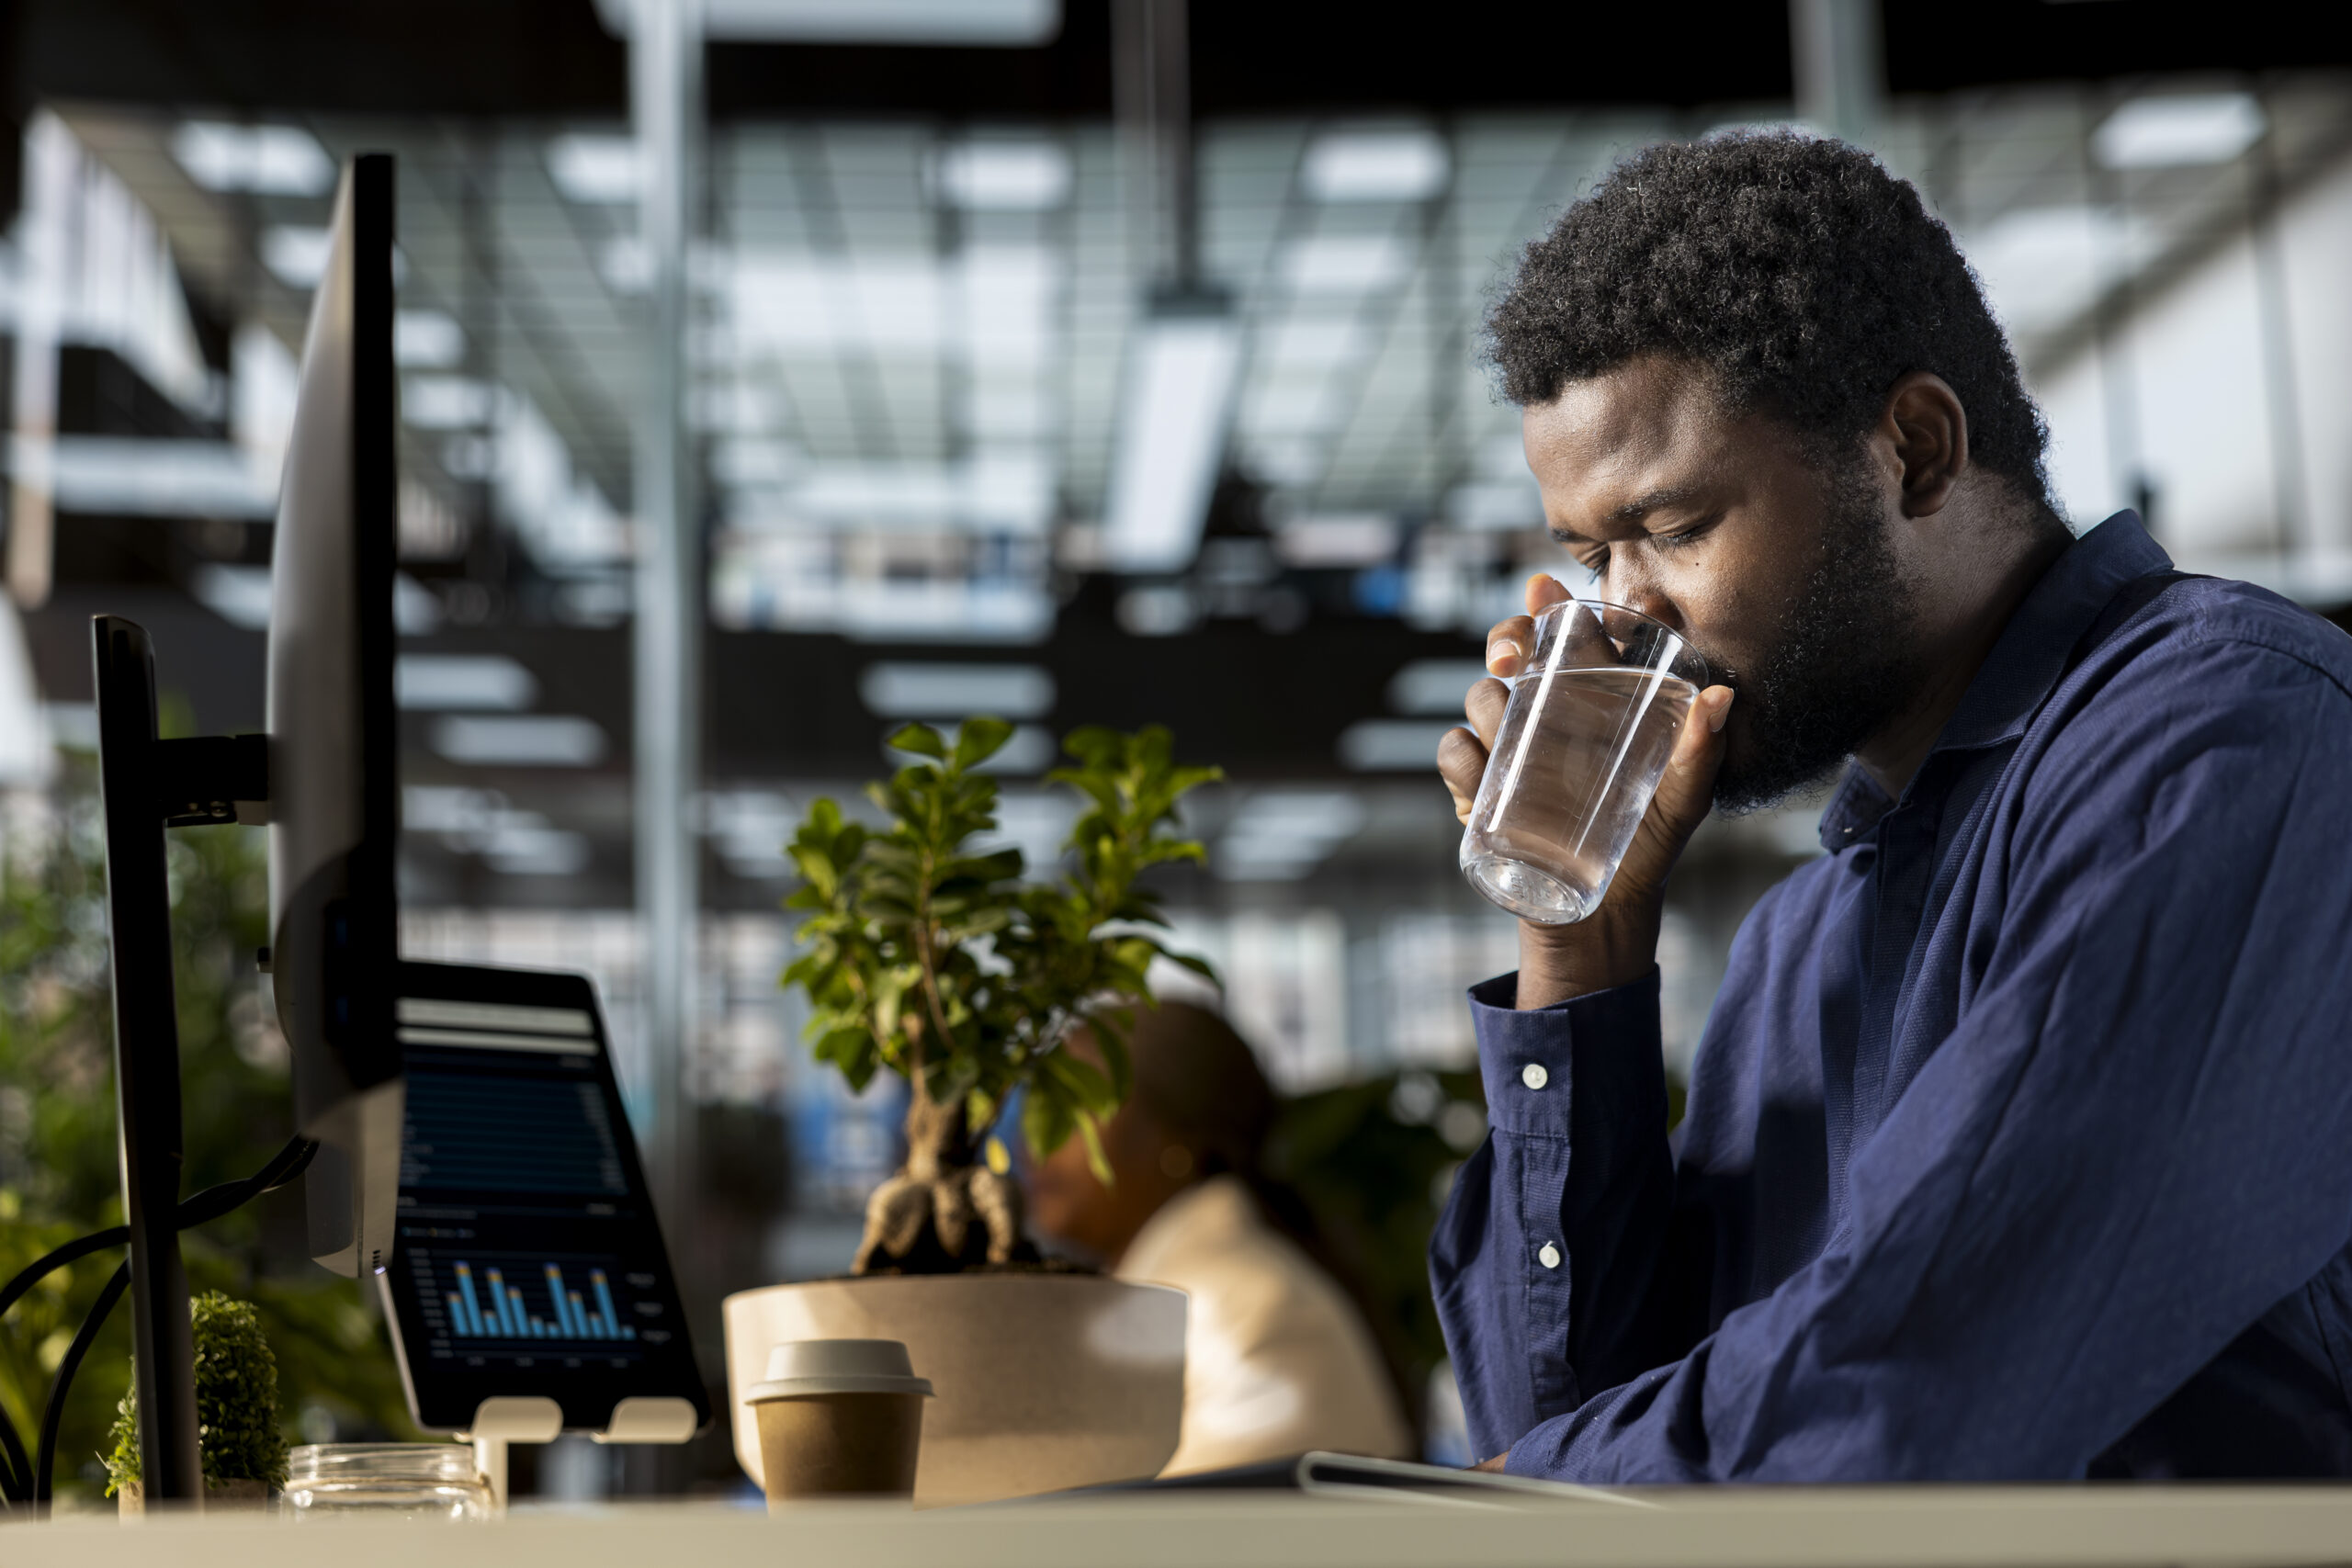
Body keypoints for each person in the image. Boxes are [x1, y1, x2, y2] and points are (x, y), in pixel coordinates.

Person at [1430, 130, 2352, 1483]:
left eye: (1673, 528)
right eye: (1588, 553)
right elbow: (1565, 1424)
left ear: (1915, 449)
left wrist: (1516, 1504)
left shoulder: (2233, 740)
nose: (1620, 610)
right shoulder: (1807, 939)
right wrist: (1581, 949)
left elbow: (1925, 1372)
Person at [1024, 1001, 1415, 1473]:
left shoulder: (1243, 1307)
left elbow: (1177, 1536)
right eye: (1044, 1102)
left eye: (1081, 1102)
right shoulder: (1197, 1289)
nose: (1040, 1137)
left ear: (1177, 1137)